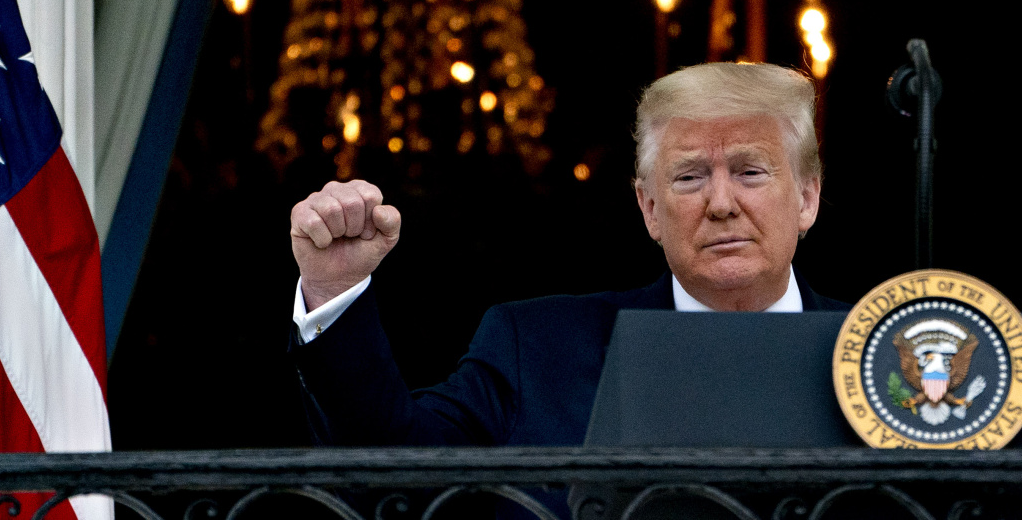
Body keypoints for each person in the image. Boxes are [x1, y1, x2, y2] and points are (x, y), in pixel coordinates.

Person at [289, 63, 848, 451]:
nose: (721, 204)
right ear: (650, 209)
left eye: (750, 172)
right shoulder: (535, 350)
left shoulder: (882, 358)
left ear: (807, 197)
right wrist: (335, 290)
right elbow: (394, 469)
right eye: (690, 177)